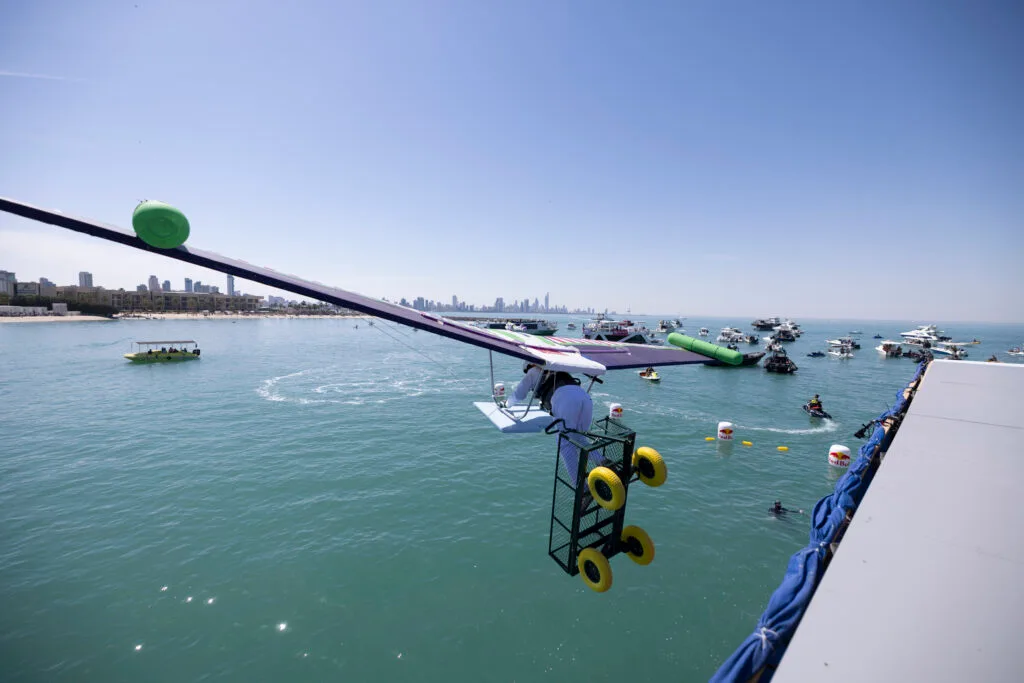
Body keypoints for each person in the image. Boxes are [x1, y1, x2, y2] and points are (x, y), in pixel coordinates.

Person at [508, 362, 598, 484]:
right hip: (584, 398)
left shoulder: (533, 371)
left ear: (529, 365)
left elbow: (519, 394)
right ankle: (603, 461)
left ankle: (581, 488)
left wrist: (506, 404)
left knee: (565, 442)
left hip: (565, 399)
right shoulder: (558, 368)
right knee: (579, 438)